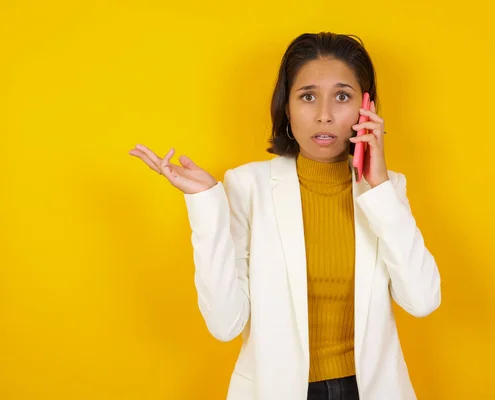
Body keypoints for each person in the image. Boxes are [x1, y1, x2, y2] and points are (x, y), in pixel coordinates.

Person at [129, 32, 441, 400]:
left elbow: (422, 301)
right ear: (287, 108)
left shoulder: (387, 190)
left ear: (366, 108)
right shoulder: (247, 186)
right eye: (307, 96)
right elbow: (225, 325)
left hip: (370, 390)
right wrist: (206, 205)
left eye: (342, 96)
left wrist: (379, 186)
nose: (324, 115)